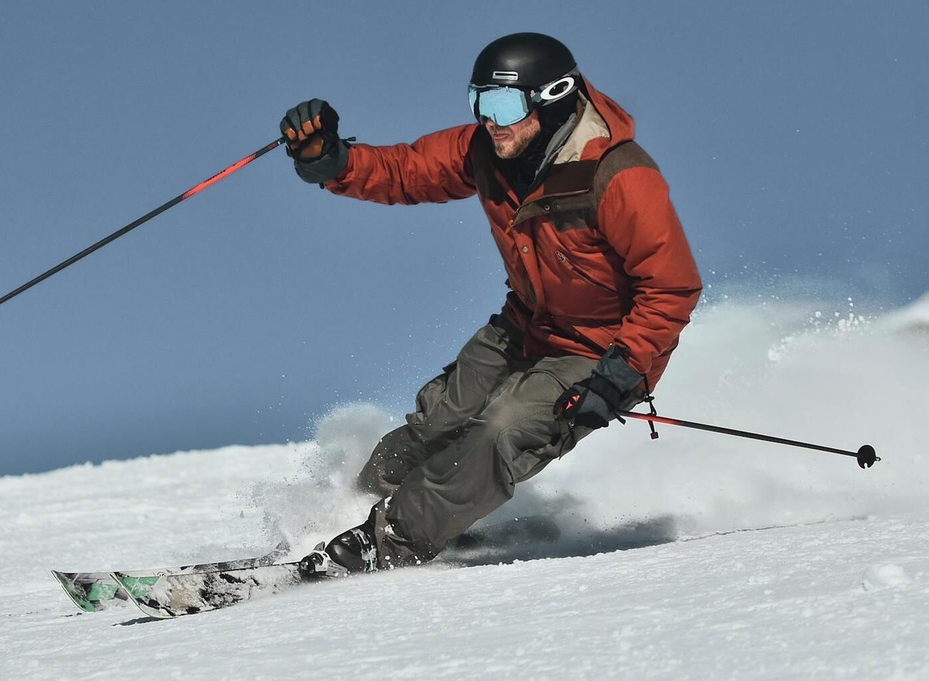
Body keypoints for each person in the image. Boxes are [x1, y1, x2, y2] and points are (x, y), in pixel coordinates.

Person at [281, 32, 702, 575]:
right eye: (479, 103)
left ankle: (386, 541)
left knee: (498, 429)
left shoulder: (619, 176)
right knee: (437, 420)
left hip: (600, 353)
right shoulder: (489, 151)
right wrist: (330, 161)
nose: (491, 121)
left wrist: (620, 374)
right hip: (523, 327)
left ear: (552, 97)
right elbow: (407, 171)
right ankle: (342, 514)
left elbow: (671, 286)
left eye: (504, 105)